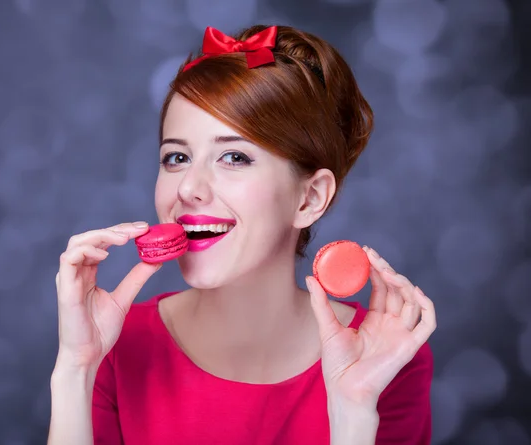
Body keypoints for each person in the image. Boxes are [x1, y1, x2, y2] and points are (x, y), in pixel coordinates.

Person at [47, 25, 436, 445]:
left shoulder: (384, 354)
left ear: (309, 198)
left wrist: (353, 411)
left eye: (234, 157)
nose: (188, 188)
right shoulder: (113, 344)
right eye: (176, 157)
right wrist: (75, 368)